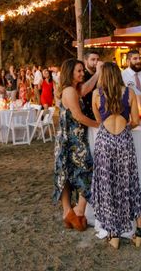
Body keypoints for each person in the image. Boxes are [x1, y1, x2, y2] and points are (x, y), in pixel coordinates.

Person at [91, 63, 141, 249]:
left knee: (108, 185)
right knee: (130, 183)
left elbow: (99, 121)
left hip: (105, 142)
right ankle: (139, 232)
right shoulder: (129, 92)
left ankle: (114, 235)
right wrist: (125, 128)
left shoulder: (97, 94)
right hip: (124, 141)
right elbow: (136, 121)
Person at [53, 58, 102, 232]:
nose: (82, 73)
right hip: (72, 139)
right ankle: (75, 211)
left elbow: (87, 87)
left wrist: (97, 73)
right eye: (79, 71)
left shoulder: (74, 89)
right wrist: (99, 125)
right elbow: (79, 116)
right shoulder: (69, 91)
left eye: (82, 70)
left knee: (65, 173)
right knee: (87, 170)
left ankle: (69, 213)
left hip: (68, 138)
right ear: (70, 73)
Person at [81, 52, 100, 120]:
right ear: (85, 61)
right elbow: (83, 91)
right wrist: (97, 73)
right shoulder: (82, 75)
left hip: (98, 114)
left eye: (97, 59)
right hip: (86, 114)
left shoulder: (100, 74)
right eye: (93, 59)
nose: (96, 62)